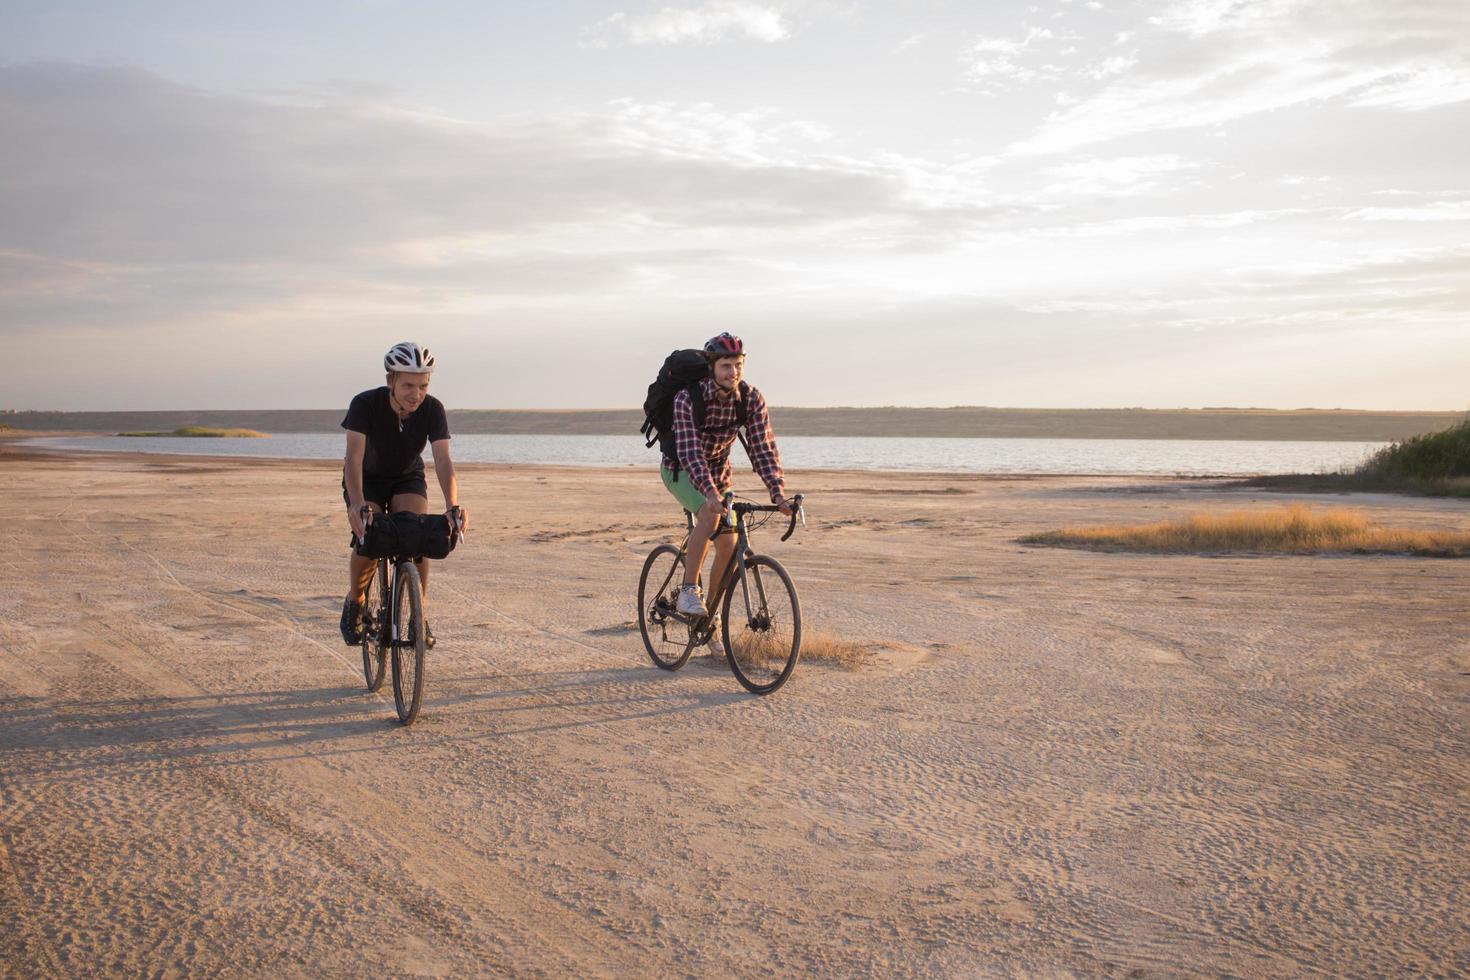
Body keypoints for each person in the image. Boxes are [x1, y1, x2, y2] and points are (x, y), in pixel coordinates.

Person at [339, 341, 467, 648]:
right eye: (408, 385)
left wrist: (453, 505)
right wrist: (356, 506)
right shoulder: (364, 404)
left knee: (417, 534)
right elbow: (353, 458)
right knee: (368, 538)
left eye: (423, 385)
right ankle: (355, 601)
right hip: (366, 479)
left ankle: (417, 616)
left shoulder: (433, 409)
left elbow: (443, 460)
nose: (416, 394)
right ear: (390, 381)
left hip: (407, 477)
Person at [662, 332, 795, 627]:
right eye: (726, 365)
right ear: (712, 367)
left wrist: (777, 493)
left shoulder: (750, 398)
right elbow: (691, 454)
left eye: (738, 365)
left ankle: (708, 617)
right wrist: (709, 494)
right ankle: (687, 591)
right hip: (680, 469)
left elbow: (763, 448)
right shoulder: (688, 399)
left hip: (719, 473)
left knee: (729, 544)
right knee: (710, 516)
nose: (732, 372)